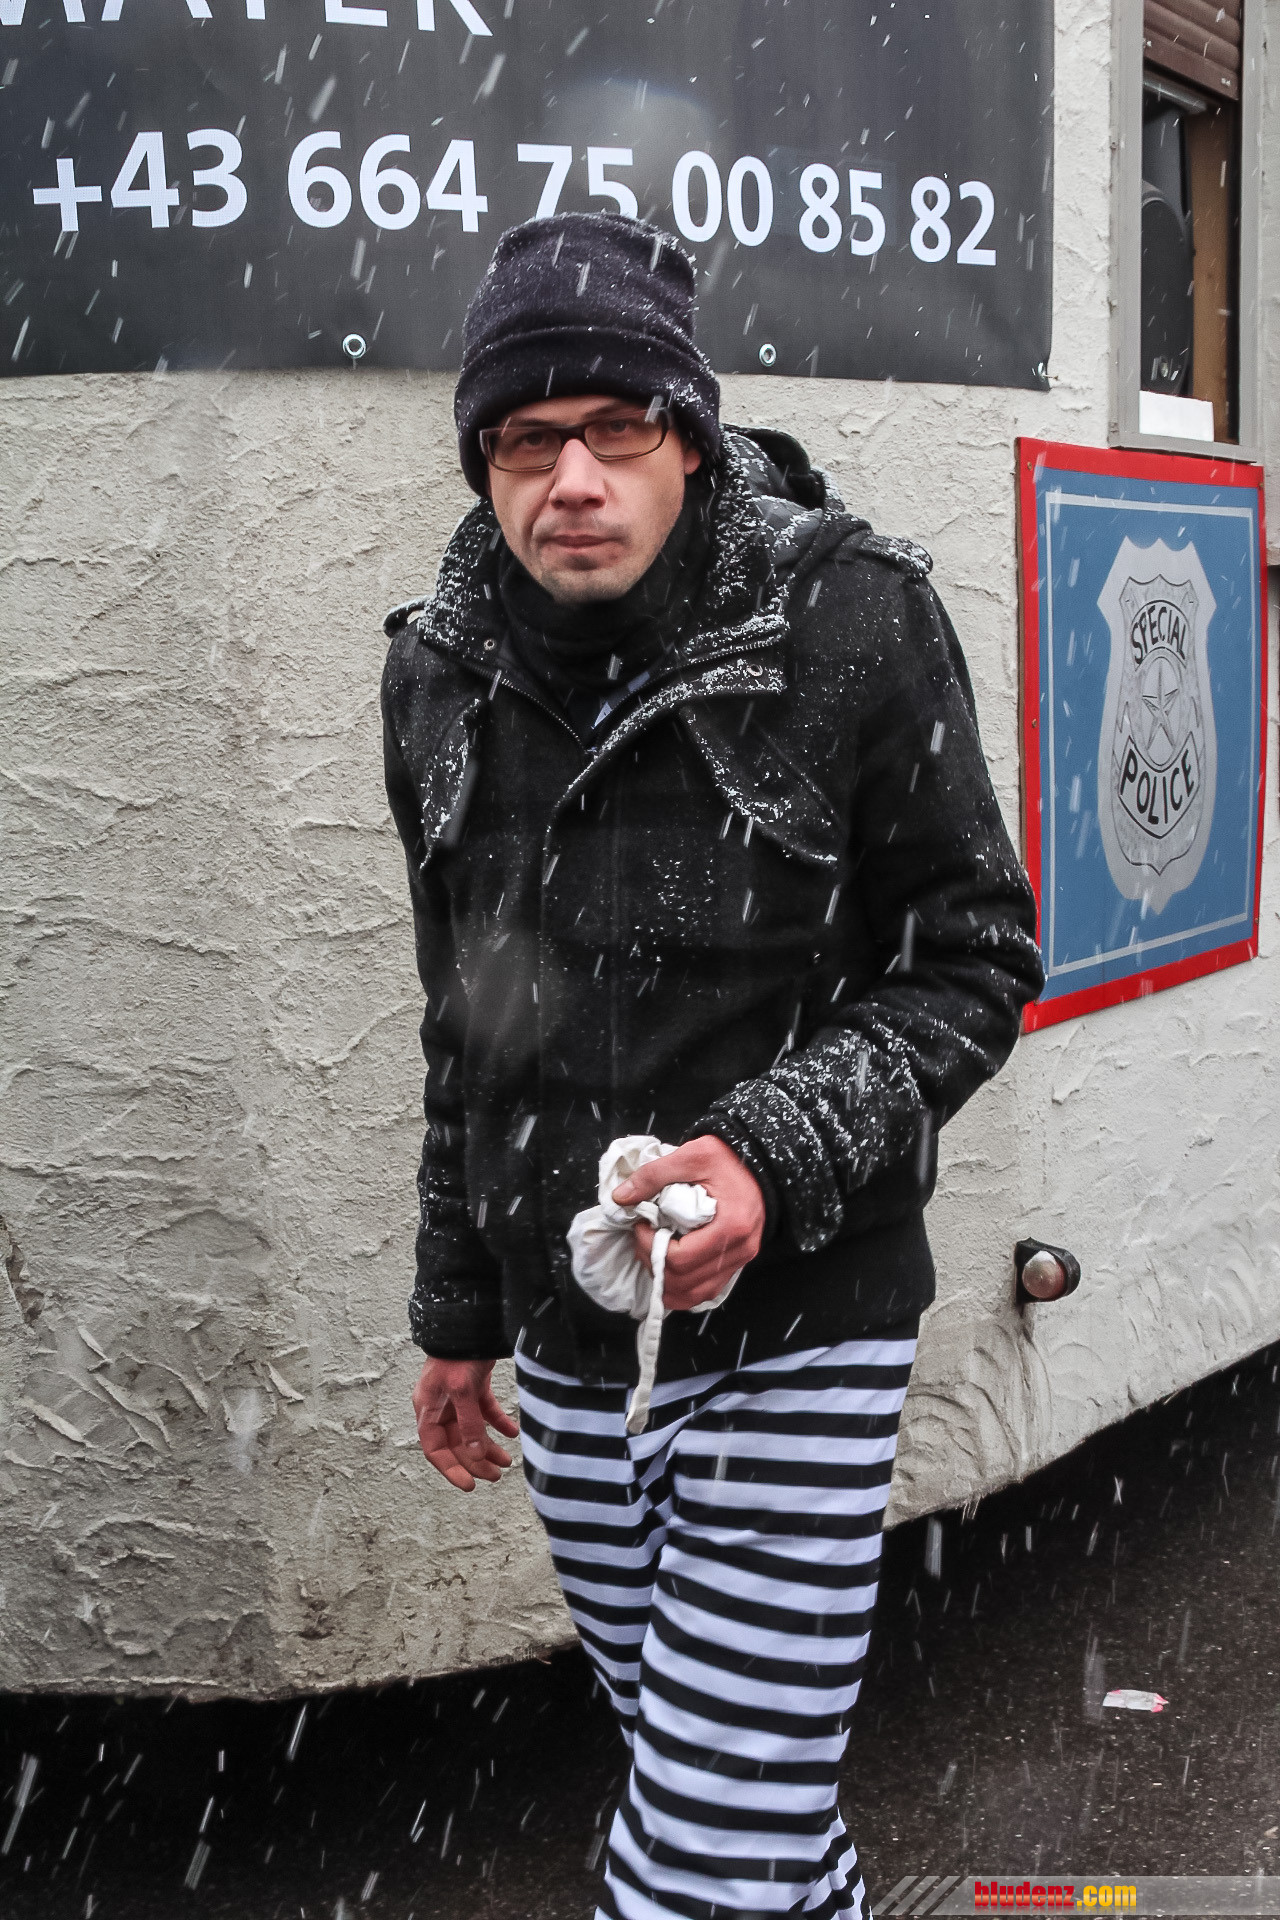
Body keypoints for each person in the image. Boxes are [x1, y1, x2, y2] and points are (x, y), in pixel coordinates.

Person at [381, 210, 1044, 1920]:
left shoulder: (853, 621)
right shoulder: (435, 675)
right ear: (482, 461)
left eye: (619, 429)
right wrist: (458, 1308)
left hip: (805, 1324)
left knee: (699, 1853)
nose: (573, 479)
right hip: (570, 1337)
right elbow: (465, 1024)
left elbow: (974, 957)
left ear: (688, 436)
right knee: (739, 1812)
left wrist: (765, 1151)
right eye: (527, 440)